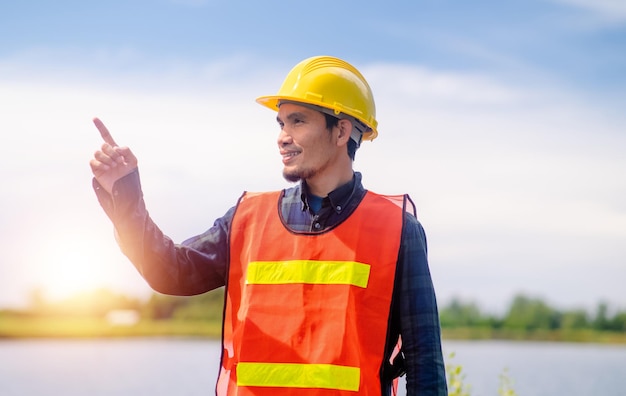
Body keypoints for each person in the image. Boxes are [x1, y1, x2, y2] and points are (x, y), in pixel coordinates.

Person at [90, 55, 447, 396]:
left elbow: (424, 365)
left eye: (298, 121)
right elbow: (169, 272)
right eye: (281, 123)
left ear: (341, 132)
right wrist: (125, 194)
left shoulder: (398, 230)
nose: (282, 136)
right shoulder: (248, 220)